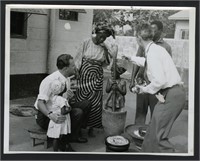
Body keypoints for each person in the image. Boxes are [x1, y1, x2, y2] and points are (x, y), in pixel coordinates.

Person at [123, 23, 185, 152]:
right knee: (151, 132)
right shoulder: (156, 49)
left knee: (158, 137)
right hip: (170, 94)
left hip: (171, 95)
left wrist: (143, 89)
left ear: (138, 38)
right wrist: (131, 58)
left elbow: (159, 80)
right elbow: (147, 63)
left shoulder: (152, 53)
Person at [34, 54, 91, 151]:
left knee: (86, 104)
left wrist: (68, 97)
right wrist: (51, 115)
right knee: (78, 112)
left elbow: (63, 100)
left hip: (60, 107)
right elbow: (40, 103)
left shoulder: (66, 78)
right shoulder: (49, 81)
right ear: (65, 68)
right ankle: (64, 142)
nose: (75, 67)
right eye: (73, 66)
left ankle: (73, 135)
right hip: (46, 116)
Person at [74, 22, 116, 137]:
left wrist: (107, 49)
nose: (102, 39)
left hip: (97, 76)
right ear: (95, 33)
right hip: (84, 75)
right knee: (81, 99)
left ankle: (91, 127)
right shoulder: (86, 42)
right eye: (100, 36)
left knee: (95, 102)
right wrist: (76, 72)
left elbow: (107, 63)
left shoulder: (104, 46)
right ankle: (79, 126)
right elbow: (78, 58)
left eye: (105, 37)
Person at [129, 21, 172, 125]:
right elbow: (137, 62)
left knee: (156, 113)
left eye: (154, 30)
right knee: (140, 112)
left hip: (156, 87)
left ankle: (151, 138)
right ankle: (137, 135)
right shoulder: (144, 44)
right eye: (150, 30)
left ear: (161, 32)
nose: (151, 32)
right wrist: (132, 80)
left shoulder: (166, 47)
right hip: (141, 83)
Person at [47, 80, 71, 151]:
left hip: (55, 119)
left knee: (55, 137)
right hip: (61, 120)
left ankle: (55, 152)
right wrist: (69, 109)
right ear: (62, 90)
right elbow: (63, 111)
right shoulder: (61, 99)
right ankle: (61, 149)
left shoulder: (53, 98)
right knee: (59, 136)